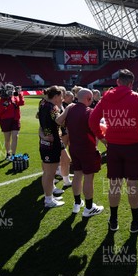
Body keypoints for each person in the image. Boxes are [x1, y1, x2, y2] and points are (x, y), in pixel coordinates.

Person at [89, 69, 138, 233]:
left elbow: (92, 120)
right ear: (131, 83)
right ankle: (135, 221)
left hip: (114, 146)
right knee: (132, 184)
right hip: (134, 146)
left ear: (118, 82)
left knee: (114, 184)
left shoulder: (106, 97)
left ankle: (113, 220)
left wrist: (102, 137)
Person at [56, 88, 104, 217]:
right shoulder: (90, 112)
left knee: (77, 174)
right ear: (88, 99)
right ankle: (89, 207)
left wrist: (66, 110)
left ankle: (77, 203)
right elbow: (97, 132)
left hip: (74, 147)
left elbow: (58, 121)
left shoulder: (70, 109)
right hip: (87, 148)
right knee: (88, 177)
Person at [37, 86, 66, 208]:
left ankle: (49, 196)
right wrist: (67, 110)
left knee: (48, 173)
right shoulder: (52, 107)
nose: (62, 98)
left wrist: (42, 135)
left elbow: (40, 121)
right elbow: (60, 121)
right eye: (60, 96)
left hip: (45, 142)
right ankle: (48, 200)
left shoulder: (43, 104)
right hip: (52, 143)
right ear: (55, 96)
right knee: (50, 174)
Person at [0, 84, 24, 161]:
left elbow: (21, 103)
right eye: (9, 89)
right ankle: (8, 154)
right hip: (5, 120)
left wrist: (20, 93)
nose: (11, 91)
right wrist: (4, 106)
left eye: (12, 89)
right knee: (7, 139)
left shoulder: (15, 96)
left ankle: (13, 155)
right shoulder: (2, 100)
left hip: (15, 120)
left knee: (15, 137)